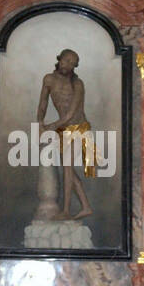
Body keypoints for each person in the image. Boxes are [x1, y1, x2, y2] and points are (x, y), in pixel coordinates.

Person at [36, 49, 95, 221]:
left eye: (72, 62)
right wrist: (40, 123)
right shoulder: (49, 79)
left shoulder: (78, 84)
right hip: (65, 128)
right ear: (59, 60)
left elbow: (70, 114)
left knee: (67, 168)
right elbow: (43, 103)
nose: (68, 64)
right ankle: (85, 206)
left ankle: (66, 211)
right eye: (66, 60)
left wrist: (50, 127)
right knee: (67, 169)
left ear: (75, 66)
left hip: (79, 127)